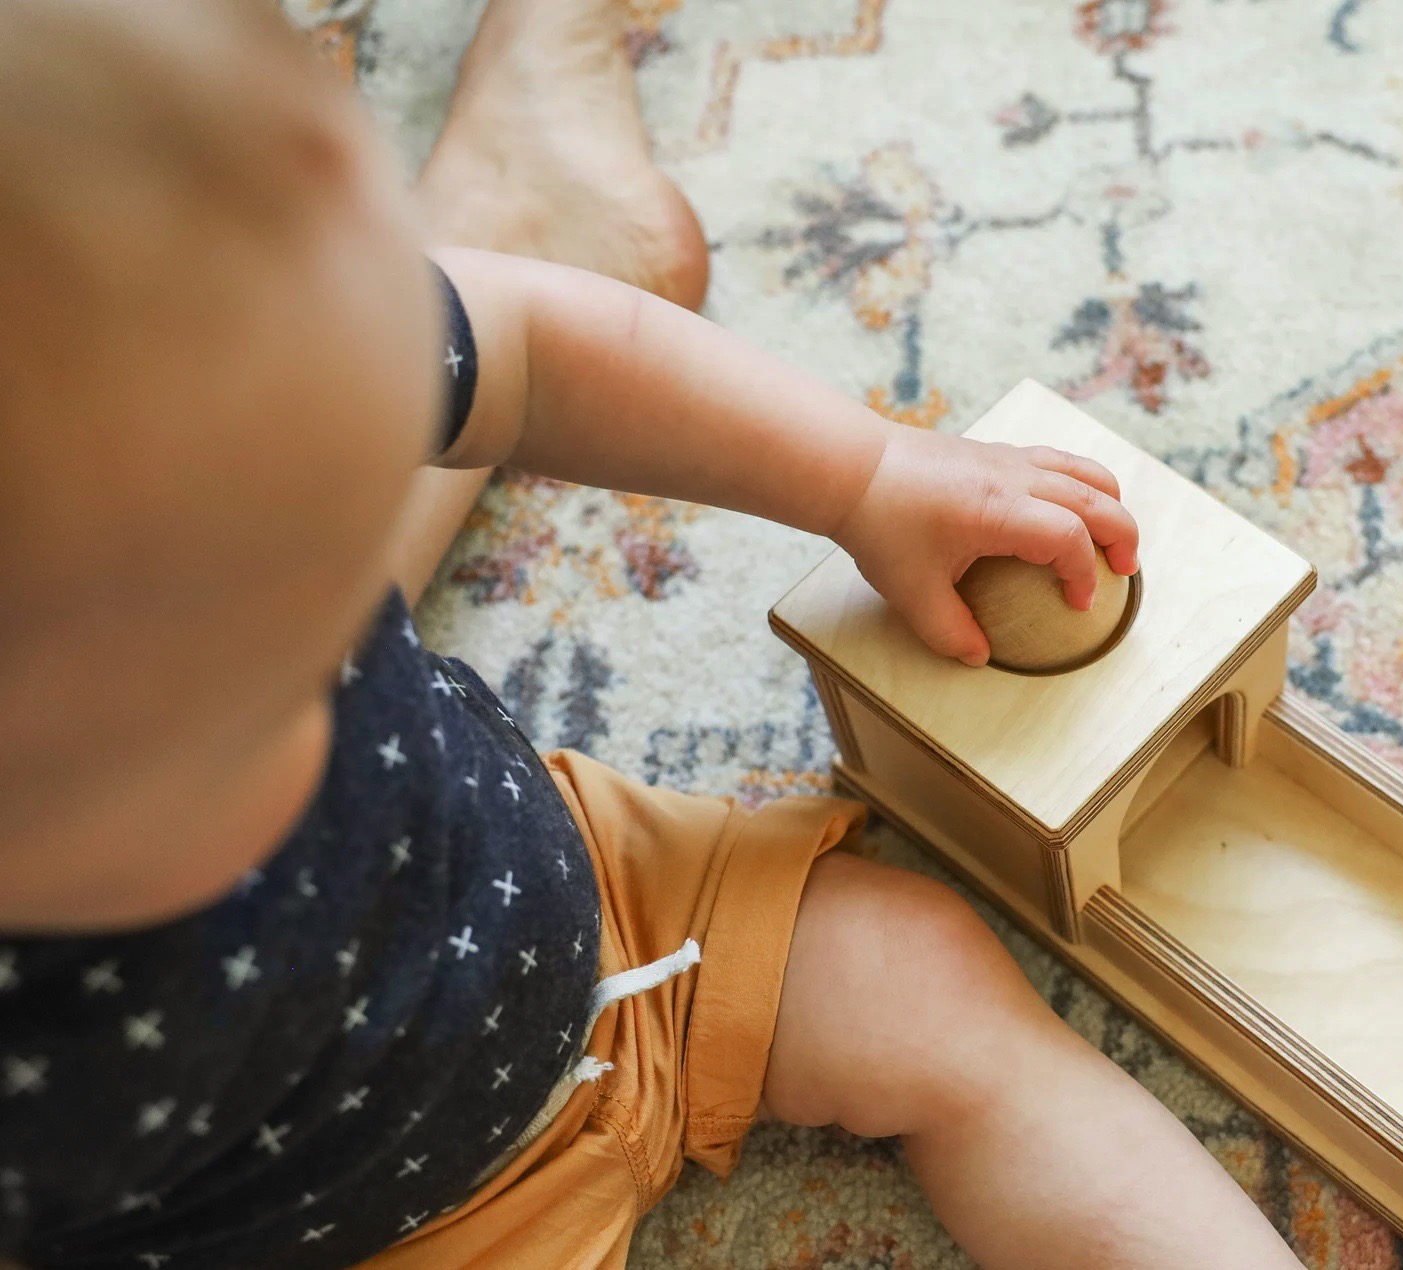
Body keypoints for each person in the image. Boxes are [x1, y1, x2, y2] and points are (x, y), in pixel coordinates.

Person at [0, 2, 1305, 1268]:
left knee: (926, 979)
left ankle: (513, 214)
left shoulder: (242, 343)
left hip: (608, 916)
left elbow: (526, 347)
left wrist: (863, 476)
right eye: (259, 699)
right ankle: (510, 195)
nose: (348, 677)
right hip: (379, 1235)